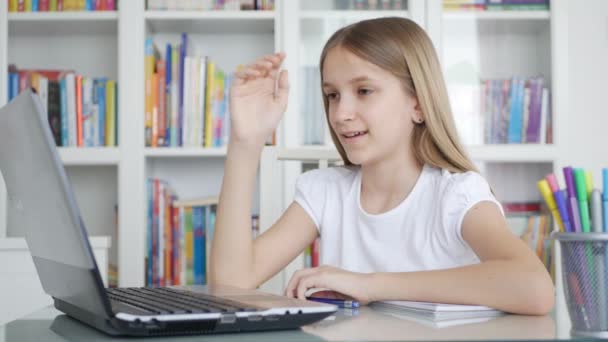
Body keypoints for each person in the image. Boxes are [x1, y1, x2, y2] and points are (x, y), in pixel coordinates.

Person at [210, 17, 554, 315]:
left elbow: (534, 288)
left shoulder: (456, 194)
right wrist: (245, 142)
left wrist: (371, 285)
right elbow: (231, 284)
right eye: (332, 95)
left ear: (418, 105)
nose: (341, 113)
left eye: (363, 91)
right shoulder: (325, 191)